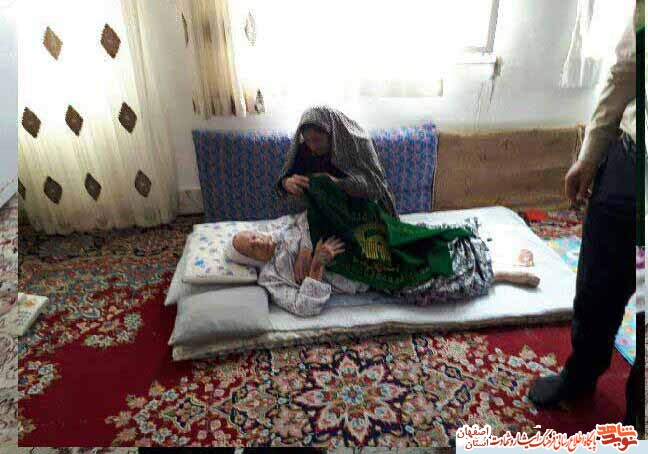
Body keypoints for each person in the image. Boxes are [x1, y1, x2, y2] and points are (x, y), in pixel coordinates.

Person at [528, 12, 639, 428]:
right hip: (632, 158)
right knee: (597, 285)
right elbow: (625, 73)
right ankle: (581, 373)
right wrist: (589, 157)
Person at [225, 212, 540, 318]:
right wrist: (317, 267)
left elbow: (308, 217)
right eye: (251, 246)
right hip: (363, 271)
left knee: (419, 241)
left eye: (253, 235)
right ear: (251, 259)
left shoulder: (279, 228)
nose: (257, 240)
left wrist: (307, 247)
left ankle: (495, 252)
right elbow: (303, 307)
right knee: (426, 282)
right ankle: (499, 273)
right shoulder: (272, 279)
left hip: (361, 238)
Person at [276, 105, 399, 218]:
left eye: (317, 140)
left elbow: (376, 186)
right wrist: (287, 183)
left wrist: (338, 183)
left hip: (365, 209)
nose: (312, 147)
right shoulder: (305, 149)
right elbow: (288, 176)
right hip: (328, 214)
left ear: (331, 134)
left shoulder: (358, 143)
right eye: (308, 140)